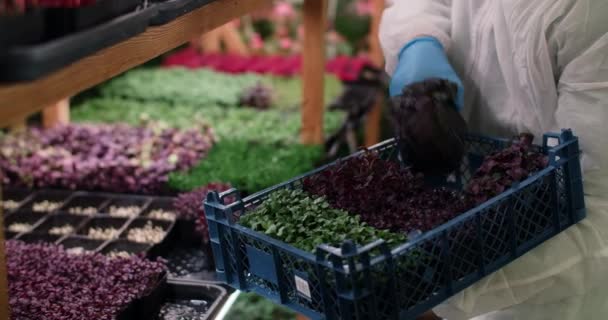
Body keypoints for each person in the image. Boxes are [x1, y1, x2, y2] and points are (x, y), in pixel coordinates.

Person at [379, 1, 608, 319]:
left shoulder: (592, 16)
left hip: (559, 294)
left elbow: (599, 208)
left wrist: (433, 281)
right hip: (469, 226)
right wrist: (418, 41)